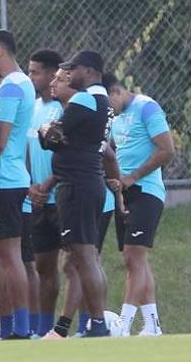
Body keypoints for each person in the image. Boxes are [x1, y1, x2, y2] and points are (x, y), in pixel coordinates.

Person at [38, 50, 112, 337]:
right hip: (90, 181)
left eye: (73, 69)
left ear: (90, 71)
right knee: (84, 257)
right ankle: (83, 325)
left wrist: (45, 128)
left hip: (77, 185)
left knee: (84, 257)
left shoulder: (85, 98)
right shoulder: (103, 101)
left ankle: (98, 323)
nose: (68, 74)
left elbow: (54, 136)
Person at [104, 74, 174, 336]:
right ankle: (153, 325)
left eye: (108, 103)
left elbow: (167, 149)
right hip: (125, 193)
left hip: (146, 191)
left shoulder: (147, 107)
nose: (108, 111)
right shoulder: (115, 117)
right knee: (135, 260)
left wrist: (133, 176)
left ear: (116, 91)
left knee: (134, 257)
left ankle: (123, 325)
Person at [0, 29, 36, 340]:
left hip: (3, 181)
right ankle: (13, 325)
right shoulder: (20, 84)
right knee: (6, 257)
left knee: (10, 257)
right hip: (7, 179)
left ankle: (20, 327)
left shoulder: (11, 87)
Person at [26, 49, 66, 337]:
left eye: (35, 72)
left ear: (53, 74)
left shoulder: (65, 107)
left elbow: (70, 152)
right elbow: (24, 150)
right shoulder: (32, 107)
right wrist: (31, 184)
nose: (31, 77)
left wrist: (48, 184)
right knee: (43, 266)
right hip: (37, 198)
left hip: (61, 195)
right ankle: (43, 329)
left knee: (76, 264)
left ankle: (89, 324)